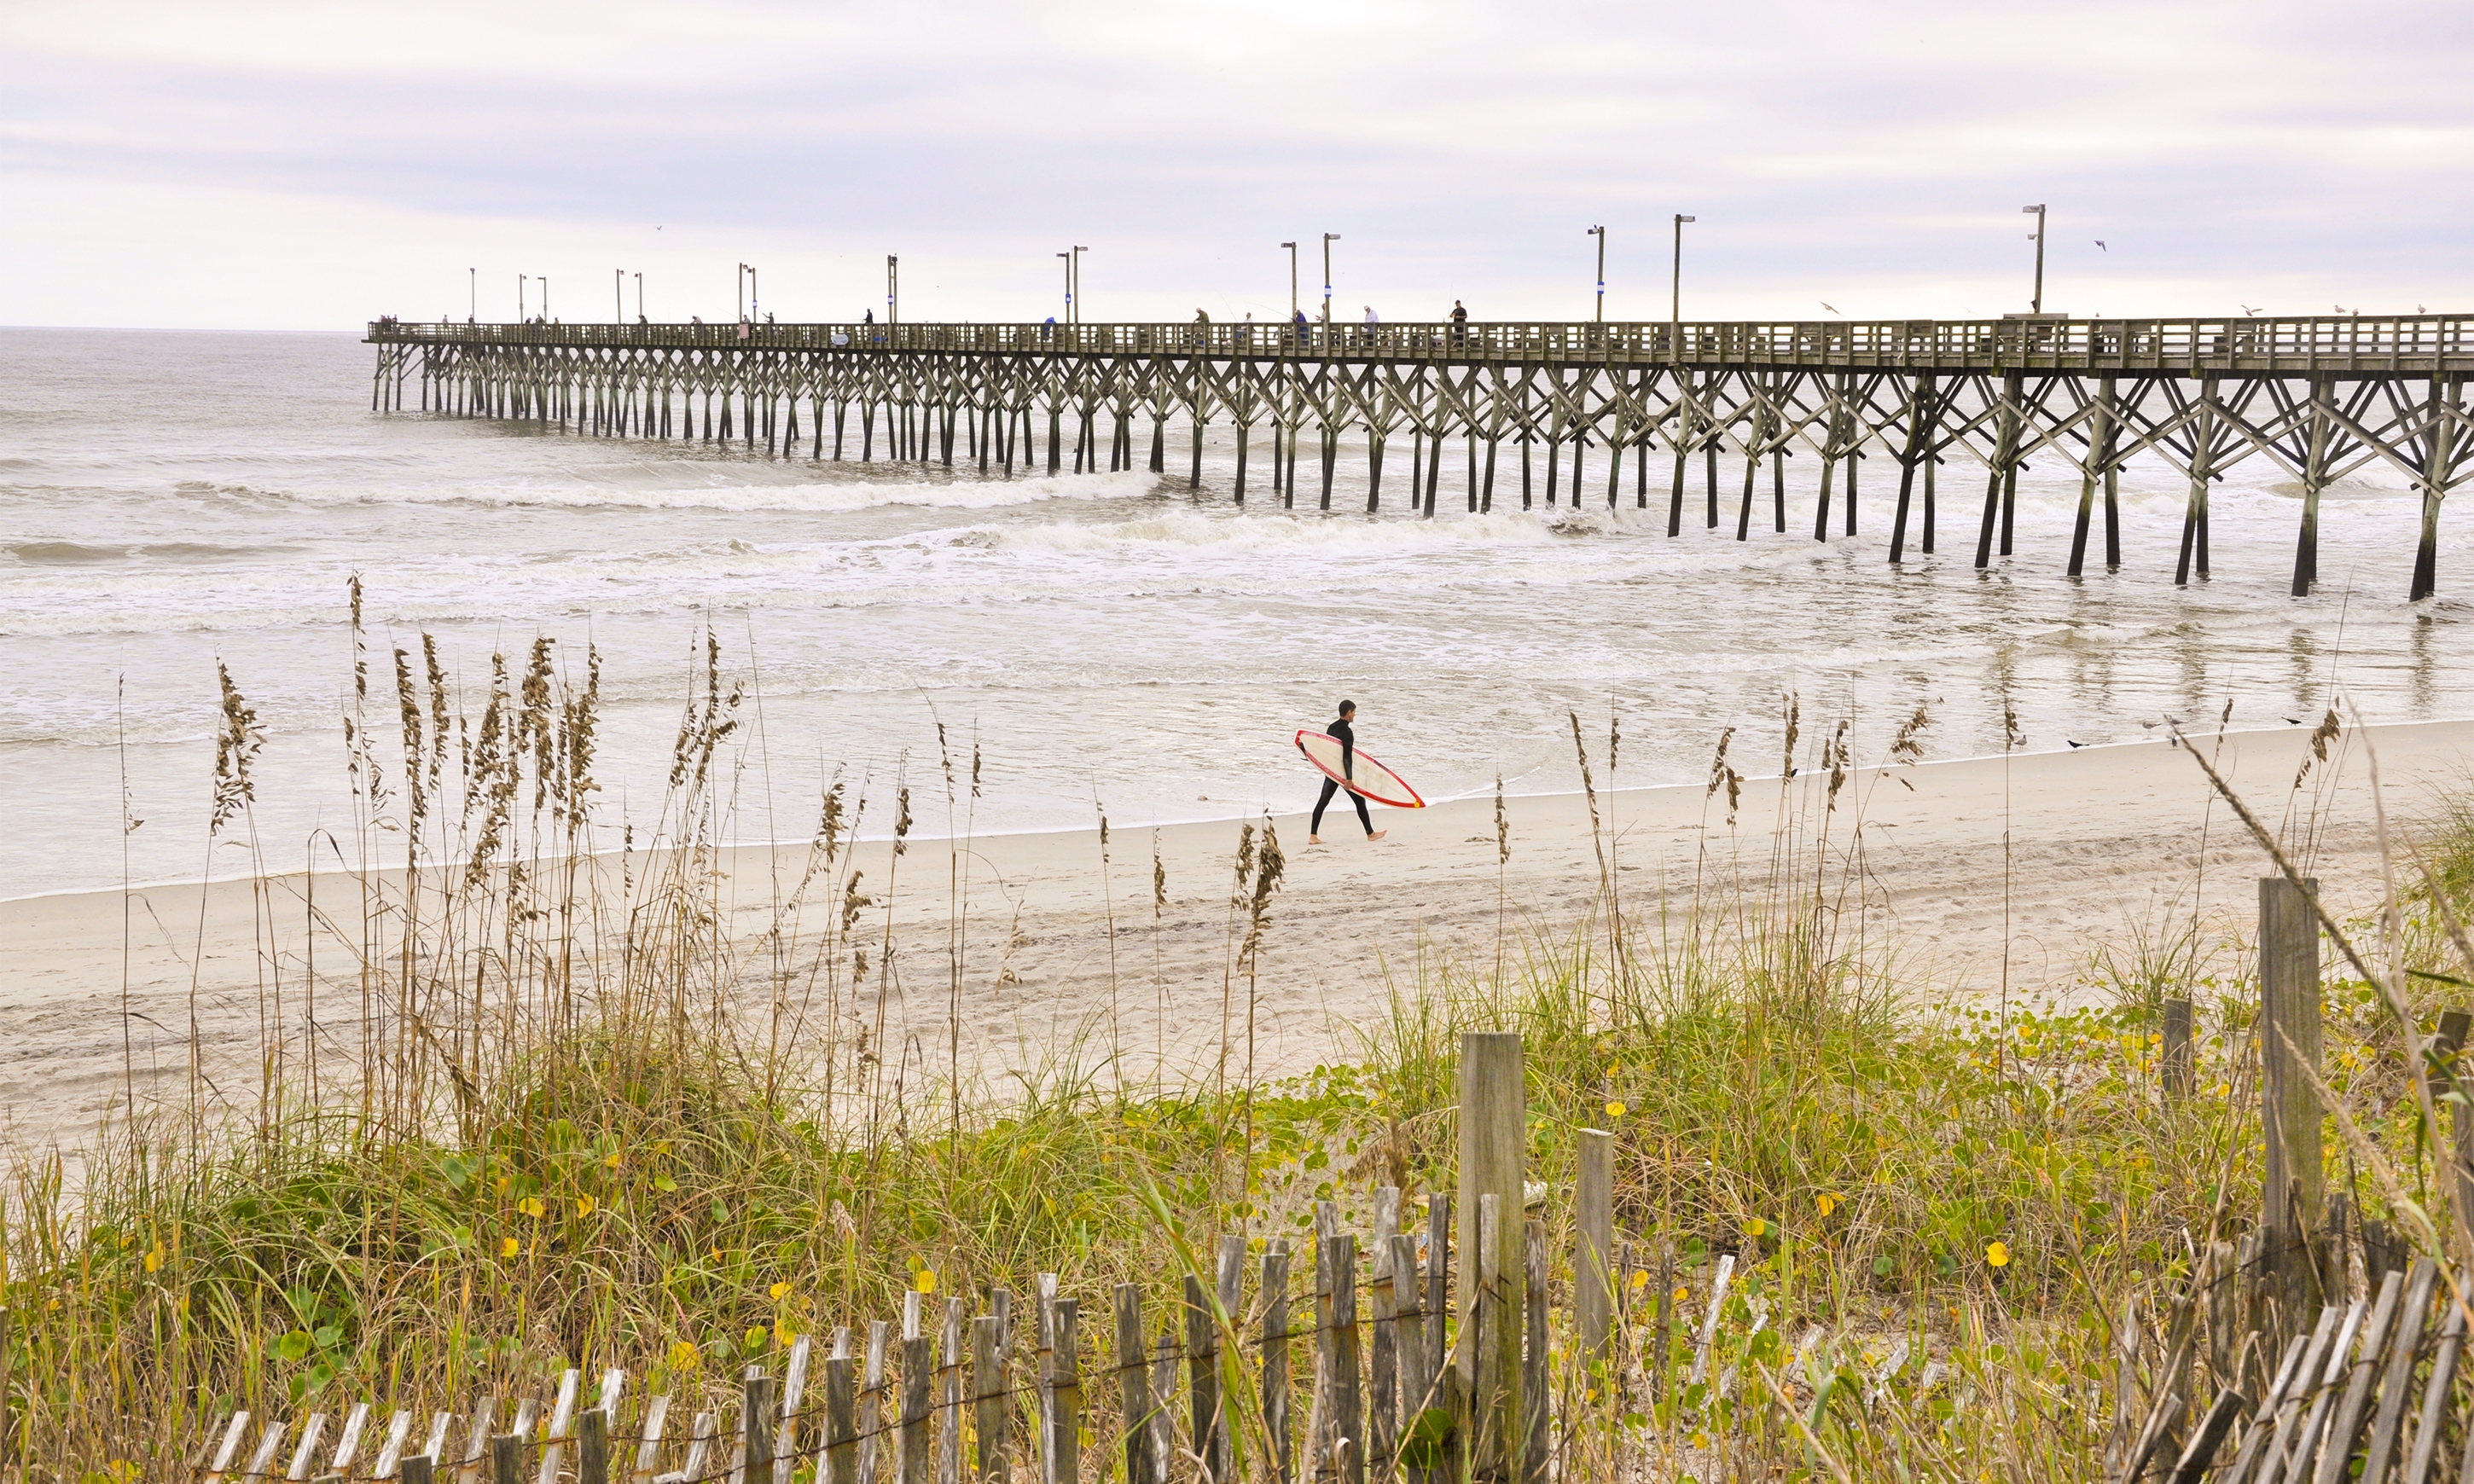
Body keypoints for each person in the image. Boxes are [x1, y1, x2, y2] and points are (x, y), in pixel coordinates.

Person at [1309, 700, 1385, 844]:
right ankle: (1371, 834)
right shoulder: (1347, 732)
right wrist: (1349, 778)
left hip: (1332, 772)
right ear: (1349, 712)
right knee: (1360, 801)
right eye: (1354, 712)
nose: (1355, 715)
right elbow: (1346, 757)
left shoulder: (1332, 727)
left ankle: (1313, 836)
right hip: (1342, 773)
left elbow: (1328, 752)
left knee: (1323, 801)